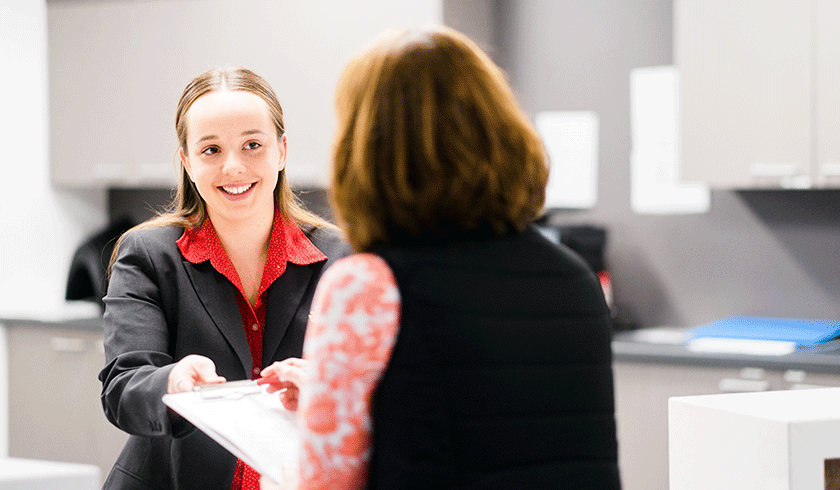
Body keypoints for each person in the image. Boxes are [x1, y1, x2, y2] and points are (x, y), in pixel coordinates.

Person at [259, 26, 621, 490]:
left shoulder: (367, 286)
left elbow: (327, 482)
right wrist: (333, 393)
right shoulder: (575, 278)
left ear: (366, 149)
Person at [99, 66, 348, 490]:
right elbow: (123, 387)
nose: (233, 167)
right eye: (211, 150)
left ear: (282, 151)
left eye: (253, 145)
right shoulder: (148, 256)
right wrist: (172, 382)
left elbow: (389, 393)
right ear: (187, 162)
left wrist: (330, 393)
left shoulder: (342, 260)